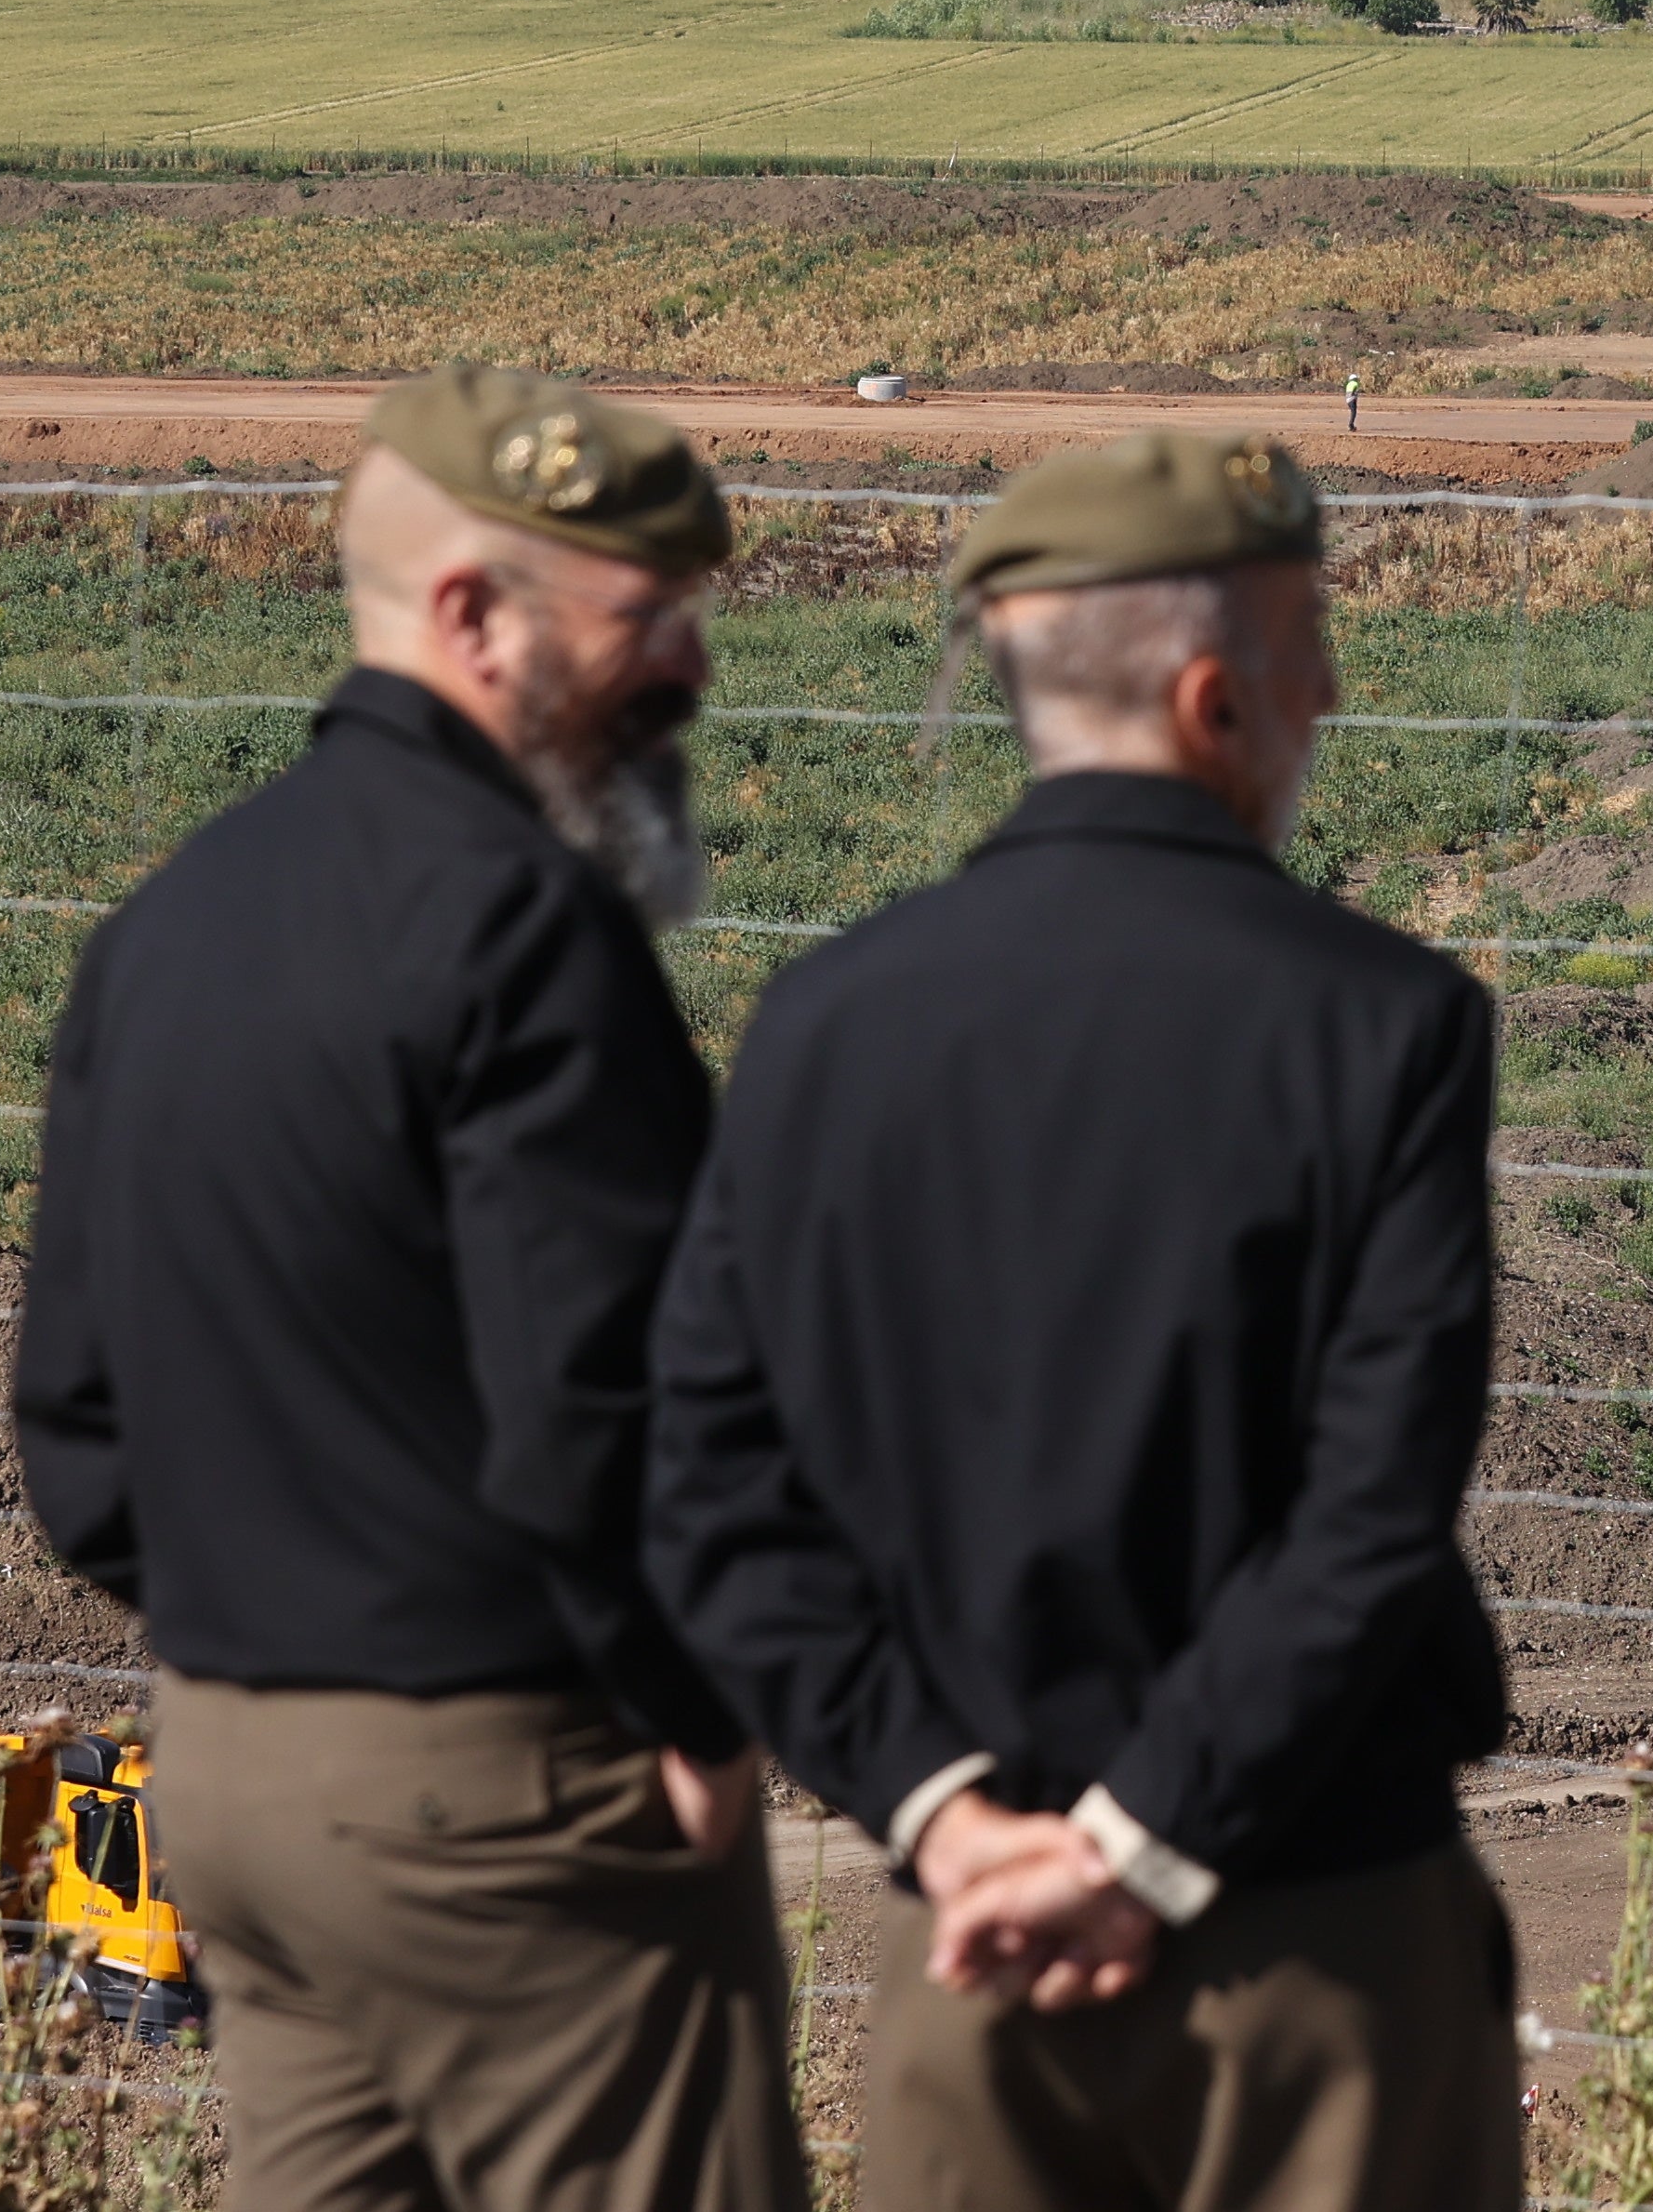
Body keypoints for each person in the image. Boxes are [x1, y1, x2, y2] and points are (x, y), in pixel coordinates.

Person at [652, 429, 1516, 2212]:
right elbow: (1369, 1518)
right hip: (1318, 1928)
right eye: (1308, 651)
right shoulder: (1386, 1026)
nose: (1331, 694)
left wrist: (952, 1820)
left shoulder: (826, 1027)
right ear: (1213, 699)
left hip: (970, 1951)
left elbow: (716, 1499)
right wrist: (1141, 1846)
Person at [14, 367, 796, 2212]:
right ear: (474, 618)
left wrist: (281, 1626)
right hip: (515, 1793)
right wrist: (691, 1713)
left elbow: (78, 1434)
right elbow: (607, 1398)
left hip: (231, 1779)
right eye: (640, 618)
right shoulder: (528, 929)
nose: (686, 668)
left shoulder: (169, 926)